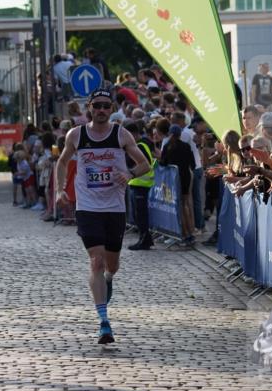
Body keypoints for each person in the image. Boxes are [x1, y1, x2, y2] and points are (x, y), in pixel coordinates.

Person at [55, 88, 150, 345]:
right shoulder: (76, 135)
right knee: (95, 261)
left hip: (114, 208)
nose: (101, 110)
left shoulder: (121, 134)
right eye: (97, 105)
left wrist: (129, 175)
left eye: (106, 106)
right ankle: (104, 323)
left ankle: (108, 280)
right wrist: (60, 190)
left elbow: (145, 164)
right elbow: (62, 162)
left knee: (112, 265)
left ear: (111, 108)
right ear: (89, 107)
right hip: (87, 207)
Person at [160, 124, 196, 248]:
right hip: (185, 178)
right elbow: (193, 164)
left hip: (173, 180)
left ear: (170, 134)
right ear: (180, 134)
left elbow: (162, 163)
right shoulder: (186, 146)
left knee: (178, 207)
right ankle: (189, 233)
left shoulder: (167, 146)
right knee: (185, 205)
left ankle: (184, 234)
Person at [124, 120, 156, 251]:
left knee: (141, 216)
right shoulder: (138, 145)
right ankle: (145, 239)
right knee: (138, 216)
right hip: (135, 184)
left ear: (133, 134)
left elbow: (146, 164)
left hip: (141, 184)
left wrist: (132, 173)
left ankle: (145, 240)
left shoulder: (141, 146)